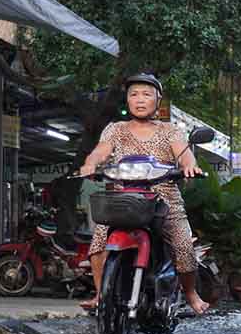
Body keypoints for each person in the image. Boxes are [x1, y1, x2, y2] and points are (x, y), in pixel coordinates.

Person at [78, 72, 209, 315]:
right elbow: (100, 151)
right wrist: (90, 163)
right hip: (123, 198)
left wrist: (189, 165)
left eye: (147, 95)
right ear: (127, 100)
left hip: (164, 198)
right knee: (98, 241)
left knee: (183, 246)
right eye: (134, 94)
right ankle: (100, 295)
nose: (140, 99)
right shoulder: (115, 129)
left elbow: (184, 153)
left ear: (157, 101)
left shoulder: (170, 130)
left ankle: (191, 294)